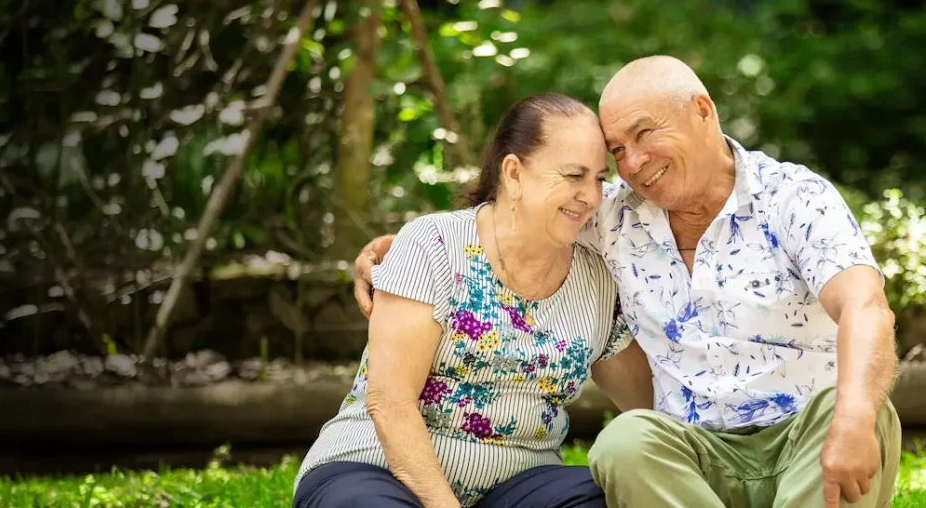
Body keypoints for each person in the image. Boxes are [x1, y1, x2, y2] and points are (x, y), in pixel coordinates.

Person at [353, 56, 902, 508]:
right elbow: (515, 217)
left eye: (644, 134)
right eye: (616, 150)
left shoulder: (795, 199)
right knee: (624, 442)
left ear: (703, 111)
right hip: (692, 464)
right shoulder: (612, 217)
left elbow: (866, 308)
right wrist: (395, 247)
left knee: (851, 406)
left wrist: (853, 421)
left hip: (808, 440)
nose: (633, 163)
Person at [292, 93, 654, 508]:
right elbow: (389, 404)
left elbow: (650, 402)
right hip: (377, 469)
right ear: (514, 174)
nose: (590, 196)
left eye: (598, 179)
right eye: (574, 176)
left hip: (522, 484)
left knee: (611, 499)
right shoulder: (434, 245)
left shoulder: (596, 279)